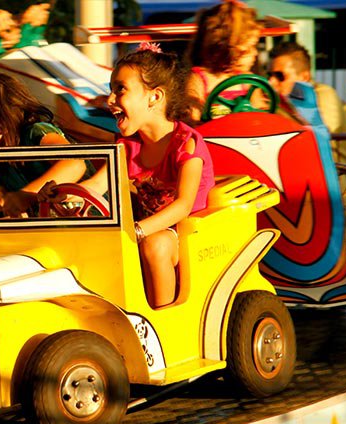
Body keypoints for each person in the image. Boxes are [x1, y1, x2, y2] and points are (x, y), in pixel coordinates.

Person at [40, 44, 215, 308]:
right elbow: (97, 185)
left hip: (189, 233)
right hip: (146, 229)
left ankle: (164, 324)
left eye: (120, 89)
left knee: (155, 245)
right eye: (111, 89)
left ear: (154, 97)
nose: (109, 99)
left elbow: (183, 206)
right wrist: (61, 194)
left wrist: (137, 231)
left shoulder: (186, 143)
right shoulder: (127, 145)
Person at [267, 41, 346, 240]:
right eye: (269, 75)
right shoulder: (275, 103)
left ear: (304, 77)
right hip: (310, 203)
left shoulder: (324, 94)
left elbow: (321, 131)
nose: (272, 82)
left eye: (280, 76)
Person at [0, 71, 87, 217]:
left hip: (93, 219)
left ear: (0, 124)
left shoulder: (35, 133)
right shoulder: (2, 166)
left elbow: (74, 162)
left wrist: (27, 194)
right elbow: (9, 207)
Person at [185, 0, 261, 123]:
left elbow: (263, 118)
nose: (255, 53)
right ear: (226, 49)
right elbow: (192, 121)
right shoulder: (199, 80)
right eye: (249, 48)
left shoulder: (248, 82)